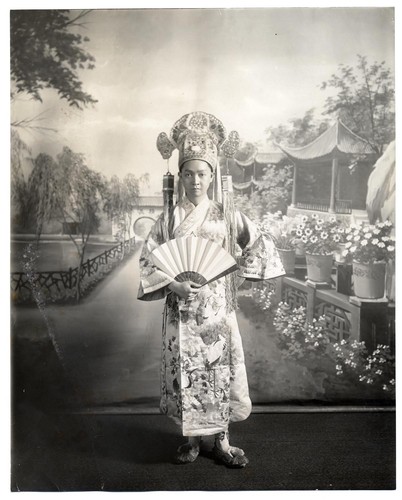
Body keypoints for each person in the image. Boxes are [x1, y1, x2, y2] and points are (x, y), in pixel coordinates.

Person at [138, 112, 285, 468]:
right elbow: (149, 258)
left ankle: (221, 439)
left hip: (216, 309)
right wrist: (173, 282)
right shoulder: (170, 219)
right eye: (188, 173)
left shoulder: (225, 213)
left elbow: (258, 242)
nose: (195, 181)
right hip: (181, 308)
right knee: (186, 367)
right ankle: (190, 439)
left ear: (213, 174)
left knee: (216, 366)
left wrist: (237, 274)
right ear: (181, 175)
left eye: (202, 173)